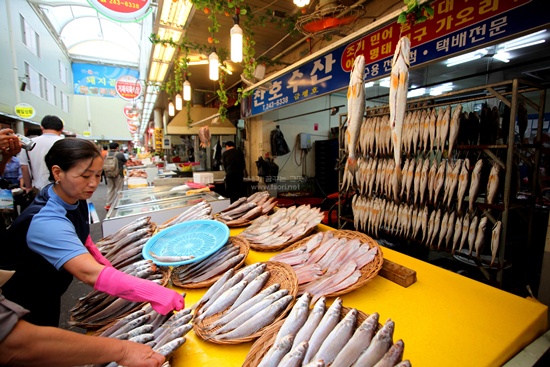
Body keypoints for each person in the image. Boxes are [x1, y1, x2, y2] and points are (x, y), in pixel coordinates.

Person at [0, 138, 184, 327]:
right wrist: (155, 293)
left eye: (97, 175)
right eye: (85, 176)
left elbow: (81, 234)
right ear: (57, 172)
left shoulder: (70, 196)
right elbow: (88, 273)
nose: (93, 183)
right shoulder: (46, 220)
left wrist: (98, 256)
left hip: (46, 291)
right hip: (17, 304)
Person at [0, 270, 165, 367]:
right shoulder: (44, 221)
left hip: (42, 292)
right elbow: (16, 343)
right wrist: (123, 351)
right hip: (28, 293)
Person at [20, 115, 64, 190]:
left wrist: (28, 187)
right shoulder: (65, 143)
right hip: (62, 190)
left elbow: (24, 167)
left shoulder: (28, 143)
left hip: (37, 189)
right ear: (62, 129)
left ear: (41, 127)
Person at [105, 142, 127, 210]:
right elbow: (125, 161)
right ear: (117, 147)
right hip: (118, 174)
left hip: (108, 174)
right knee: (119, 189)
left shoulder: (106, 155)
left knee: (110, 189)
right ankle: (118, 203)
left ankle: (108, 204)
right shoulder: (119, 154)